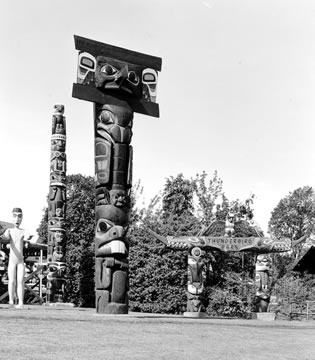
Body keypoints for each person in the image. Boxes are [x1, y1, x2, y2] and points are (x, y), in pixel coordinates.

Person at [1, 208, 31, 308]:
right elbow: (4, 237)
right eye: (15, 216)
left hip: (20, 260)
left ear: (22, 218)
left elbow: (27, 236)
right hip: (12, 260)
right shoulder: (9, 230)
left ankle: (21, 302)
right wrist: (4, 236)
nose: (17, 219)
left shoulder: (23, 231)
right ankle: (11, 301)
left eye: (19, 216)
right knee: (11, 281)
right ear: (12, 217)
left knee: (20, 281)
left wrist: (28, 238)